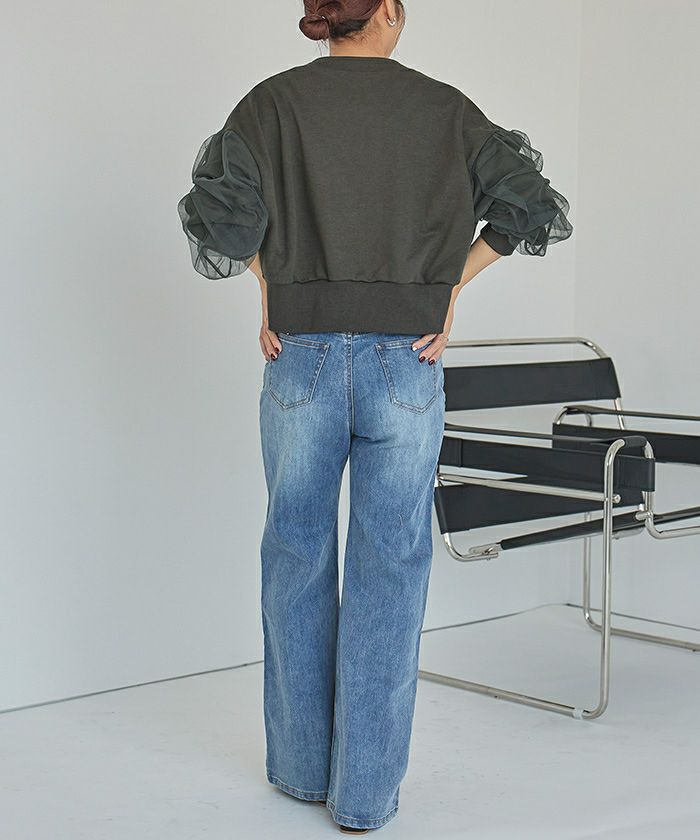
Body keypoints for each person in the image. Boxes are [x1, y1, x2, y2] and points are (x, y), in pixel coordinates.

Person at [176, 1, 573, 833]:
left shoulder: (270, 105)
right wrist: (447, 287)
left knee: (295, 554)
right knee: (390, 568)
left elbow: (223, 218)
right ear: (387, 10)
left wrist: (272, 290)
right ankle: (362, 798)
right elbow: (530, 206)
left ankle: (298, 773)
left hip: (301, 359)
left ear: (325, 17)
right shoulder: (444, 109)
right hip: (407, 361)